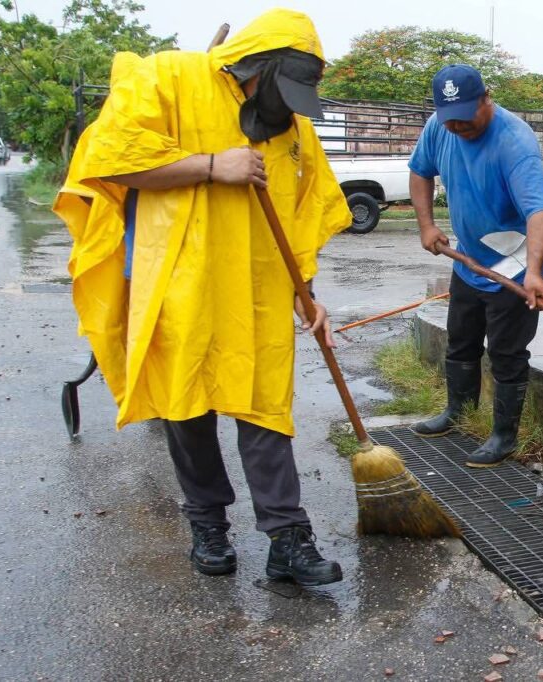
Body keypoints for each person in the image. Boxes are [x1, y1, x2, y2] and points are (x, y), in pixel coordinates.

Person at [54, 10, 353, 586]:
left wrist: (305, 292)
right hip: (180, 283)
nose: (287, 108)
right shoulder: (167, 78)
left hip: (259, 289)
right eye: (281, 91)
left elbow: (304, 210)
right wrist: (214, 165)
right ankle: (207, 526)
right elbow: (110, 159)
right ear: (252, 68)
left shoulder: (293, 129)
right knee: (186, 405)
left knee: (268, 407)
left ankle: (287, 539)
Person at [408, 64, 543, 468]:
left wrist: (535, 274)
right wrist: (427, 225)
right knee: (461, 340)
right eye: (450, 119)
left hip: (513, 262)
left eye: (467, 117)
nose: (458, 127)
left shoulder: (514, 141)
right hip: (469, 257)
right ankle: (457, 412)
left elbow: (538, 210)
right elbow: (419, 172)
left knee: (506, 353)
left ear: (486, 99)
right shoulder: (440, 127)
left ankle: (503, 436)